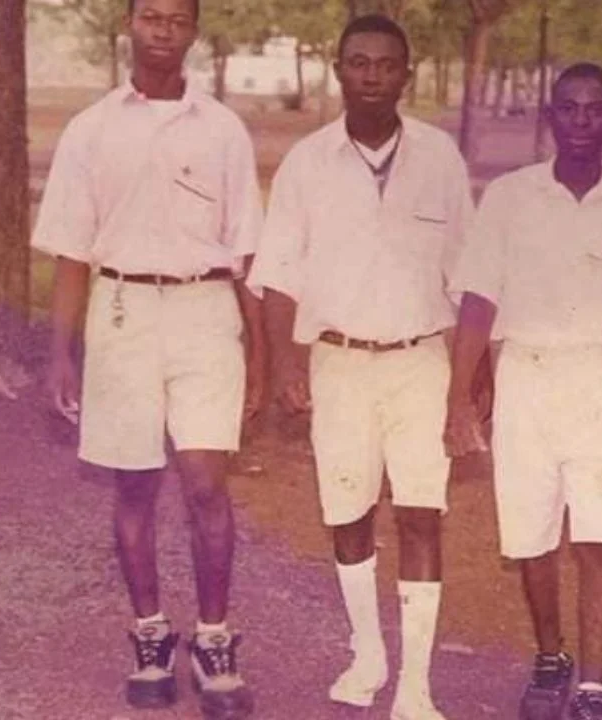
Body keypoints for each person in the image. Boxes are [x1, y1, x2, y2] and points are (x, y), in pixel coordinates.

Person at [33, 0, 265, 717]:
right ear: (129, 25)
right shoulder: (91, 129)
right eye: (150, 17)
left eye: (177, 20)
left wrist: (262, 357)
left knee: (204, 483)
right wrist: (60, 354)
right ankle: (151, 635)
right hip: (123, 310)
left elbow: (246, 248)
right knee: (134, 485)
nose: (163, 32)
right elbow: (73, 250)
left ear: (194, 31)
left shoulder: (224, 129)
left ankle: (215, 641)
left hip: (204, 310)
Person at [247, 14, 472, 720]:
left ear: (406, 73)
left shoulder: (440, 158)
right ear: (338, 70)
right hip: (339, 363)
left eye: (386, 64)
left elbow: (469, 277)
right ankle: (368, 652)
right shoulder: (307, 164)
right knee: (347, 514)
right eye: (358, 63)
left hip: (420, 362)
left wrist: (471, 382)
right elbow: (278, 275)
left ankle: (416, 685)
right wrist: (286, 364)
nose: (372, 75)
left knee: (420, 516)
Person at [444, 62, 602, 720]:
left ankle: (593, 684)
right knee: (533, 536)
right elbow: (478, 302)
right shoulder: (510, 198)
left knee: (598, 536)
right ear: (549, 117)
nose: (580, 122)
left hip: (600, 378)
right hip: (527, 376)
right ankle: (549, 654)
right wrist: (458, 399)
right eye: (567, 109)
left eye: (594, 110)